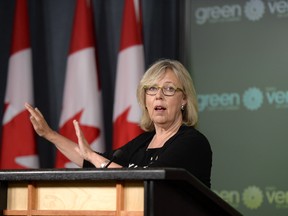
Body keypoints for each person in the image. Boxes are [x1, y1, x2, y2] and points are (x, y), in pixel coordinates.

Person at [25, 59, 212, 188]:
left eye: (169, 89)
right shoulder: (142, 143)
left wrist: (93, 157)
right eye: (152, 89)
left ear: (184, 99)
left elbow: (152, 181)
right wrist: (49, 134)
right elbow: (93, 161)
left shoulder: (193, 142)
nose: (158, 96)